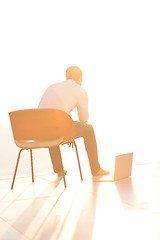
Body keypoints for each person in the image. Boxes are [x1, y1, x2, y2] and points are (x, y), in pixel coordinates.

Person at [38, 66, 110, 177]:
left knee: (50, 124)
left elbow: (44, 112)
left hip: (40, 130)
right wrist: (68, 131)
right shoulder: (80, 90)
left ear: (66, 77)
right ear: (80, 78)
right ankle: (96, 169)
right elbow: (83, 119)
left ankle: (59, 170)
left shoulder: (51, 87)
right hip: (58, 128)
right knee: (89, 129)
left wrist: (68, 127)